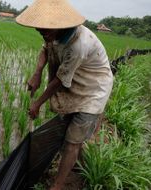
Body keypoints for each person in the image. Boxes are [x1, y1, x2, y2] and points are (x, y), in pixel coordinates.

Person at [16, 0, 113, 189]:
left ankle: (58, 185)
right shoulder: (54, 34)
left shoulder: (79, 44)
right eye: (39, 30)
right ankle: (80, 162)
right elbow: (45, 50)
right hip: (75, 82)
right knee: (71, 130)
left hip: (93, 90)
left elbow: (59, 80)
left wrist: (37, 103)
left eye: (45, 31)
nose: (41, 33)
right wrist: (37, 73)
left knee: (71, 141)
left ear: (61, 25)